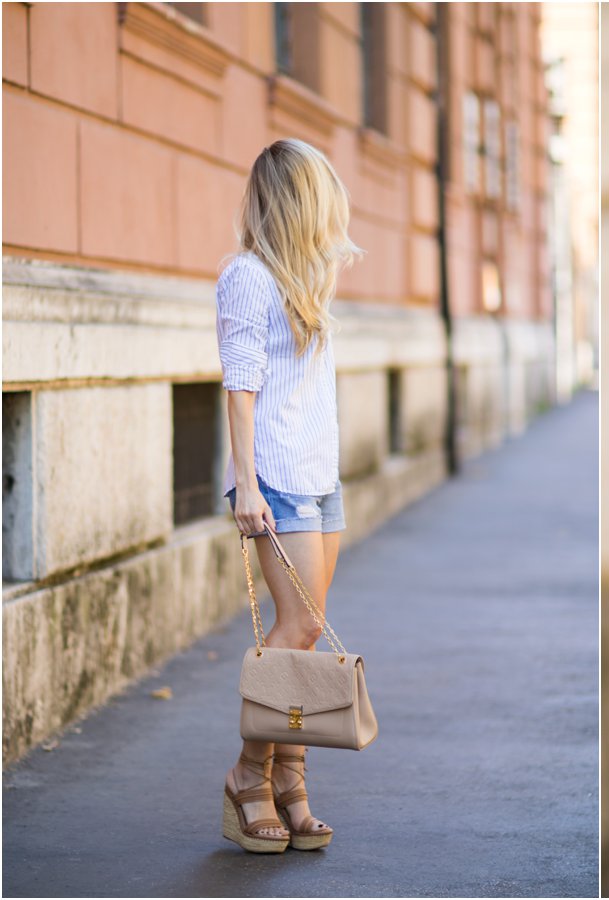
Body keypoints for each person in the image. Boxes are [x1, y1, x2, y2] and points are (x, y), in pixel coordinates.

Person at [216, 138, 363, 853]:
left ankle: (290, 780)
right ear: (299, 201)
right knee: (296, 633)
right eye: (324, 197)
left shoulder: (306, 275)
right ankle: (251, 777)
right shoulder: (245, 277)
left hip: (318, 476)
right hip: (274, 478)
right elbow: (239, 392)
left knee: (305, 636)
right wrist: (246, 485)